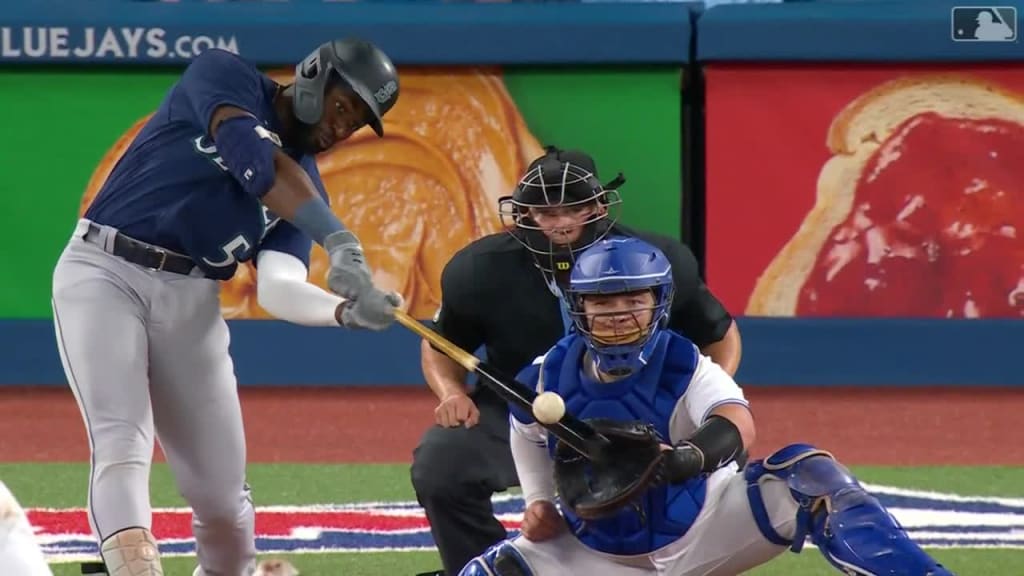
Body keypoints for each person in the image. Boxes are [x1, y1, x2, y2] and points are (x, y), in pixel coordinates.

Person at [51, 39, 402, 576]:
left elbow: (278, 287)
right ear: (313, 73)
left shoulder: (306, 192)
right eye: (341, 106)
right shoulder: (226, 75)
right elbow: (257, 162)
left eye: (354, 122)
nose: (341, 127)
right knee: (122, 441)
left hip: (193, 300)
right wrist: (339, 240)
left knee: (222, 500)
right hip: (106, 270)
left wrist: (342, 312)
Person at [460, 236, 955, 576]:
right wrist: (538, 503)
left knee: (809, 476)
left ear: (659, 302)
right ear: (580, 308)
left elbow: (736, 422)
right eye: (602, 303)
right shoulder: (548, 373)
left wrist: (689, 457)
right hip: (595, 553)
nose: (618, 314)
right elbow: (525, 431)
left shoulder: (685, 363)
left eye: (634, 299)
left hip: (705, 530)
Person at [411, 146, 742, 575]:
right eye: (545, 212)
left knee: (717, 456)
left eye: (574, 208)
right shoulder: (477, 271)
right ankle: (487, 568)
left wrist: (705, 400)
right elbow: (441, 344)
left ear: (599, 206)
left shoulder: (655, 260)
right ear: (524, 214)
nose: (560, 223)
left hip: (642, 411)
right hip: (523, 412)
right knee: (442, 465)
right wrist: (452, 392)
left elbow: (721, 335)